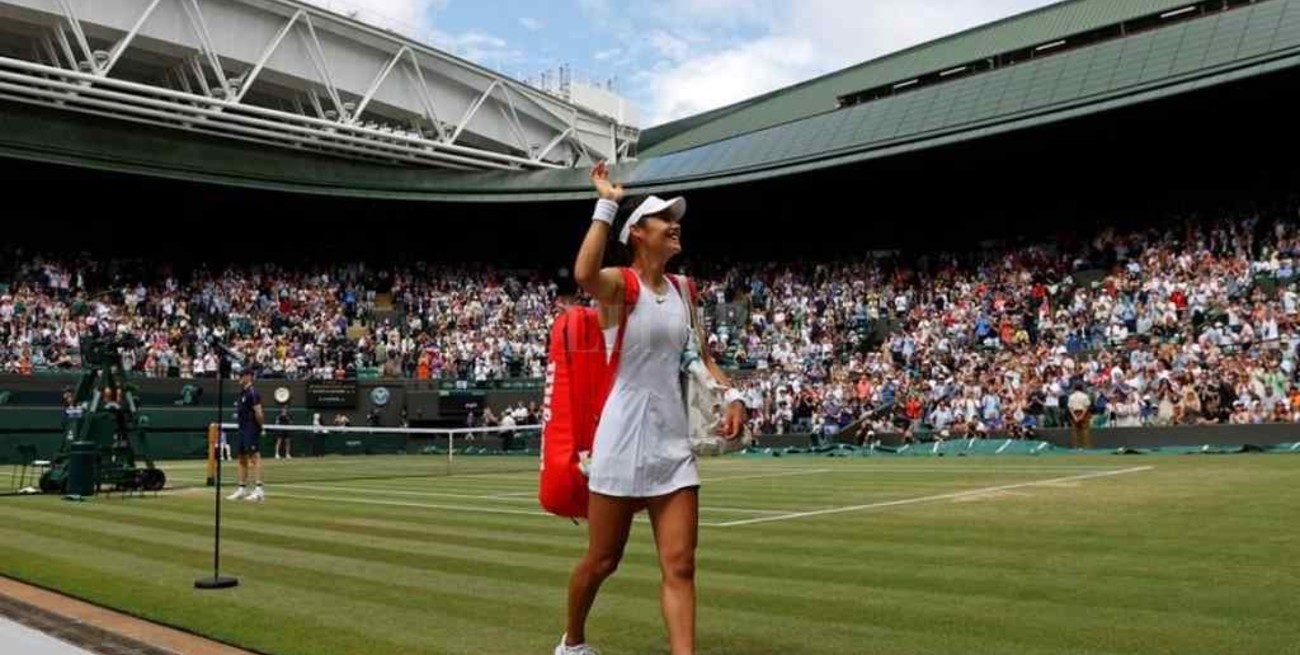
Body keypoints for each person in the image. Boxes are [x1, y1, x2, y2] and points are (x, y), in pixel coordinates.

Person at [556, 161, 745, 655]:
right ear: (638, 234)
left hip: (672, 443)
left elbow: (699, 356)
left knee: (681, 566)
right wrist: (606, 204)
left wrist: (734, 395)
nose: (674, 222)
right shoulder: (621, 288)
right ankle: (572, 642)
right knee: (602, 560)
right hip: (621, 440)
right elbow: (583, 273)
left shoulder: (685, 290)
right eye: (662, 217)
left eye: (675, 217)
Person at [227, 369, 266, 502]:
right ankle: (241, 489)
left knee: (255, 458)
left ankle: (259, 490)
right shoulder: (242, 393)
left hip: (251, 428)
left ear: (248, 377)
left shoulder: (253, 393)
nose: (239, 378)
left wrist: (261, 427)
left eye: (242, 376)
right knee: (241, 458)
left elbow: (259, 413)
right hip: (242, 429)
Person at [1067, 382, 1093, 450]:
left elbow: (1070, 408)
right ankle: (1086, 447)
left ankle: (1075, 447)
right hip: (1083, 413)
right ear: (1081, 388)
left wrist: (1075, 417)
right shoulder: (1085, 396)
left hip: (1075, 413)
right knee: (1085, 430)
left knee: (1075, 431)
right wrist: (1082, 416)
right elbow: (1087, 407)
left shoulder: (1071, 396)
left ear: (1074, 388)